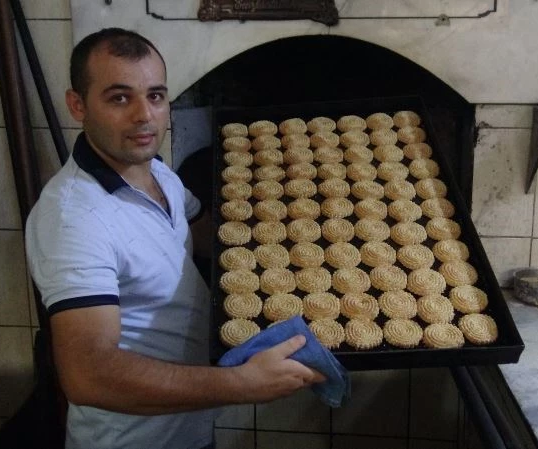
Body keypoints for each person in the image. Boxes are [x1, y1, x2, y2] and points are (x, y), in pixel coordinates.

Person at [25, 28, 324, 449]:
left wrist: (303, 236)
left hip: (187, 428)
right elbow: (87, 375)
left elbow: (204, 236)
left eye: (156, 96)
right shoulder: (73, 218)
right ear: (78, 104)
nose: (144, 116)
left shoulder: (157, 173)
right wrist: (240, 383)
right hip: (131, 440)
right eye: (119, 98)